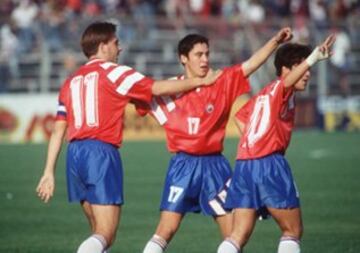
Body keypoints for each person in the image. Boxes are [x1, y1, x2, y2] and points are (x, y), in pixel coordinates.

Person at [35, 21, 221, 253]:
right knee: (105, 234)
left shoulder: (70, 81)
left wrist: (48, 172)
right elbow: (156, 89)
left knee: (96, 231)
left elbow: (59, 129)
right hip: (100, 153)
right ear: (103, 46)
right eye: (116, 43)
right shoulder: (115, 72)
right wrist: (201, 81)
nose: (119, 48)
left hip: (74, 156)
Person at [138, 27, 294, 253]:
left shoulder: (222, 81)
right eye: (198, 55)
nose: (205, 60)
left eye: (207, 54)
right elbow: (137, 94)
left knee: (233, 234)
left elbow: (250, 65)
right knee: (166, 229)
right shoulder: (170, 89)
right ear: (183, 58)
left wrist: (274, 42)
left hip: (215, 166)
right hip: (183, 165)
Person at [217, 35, 335, 253]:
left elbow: (241, 118)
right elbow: (287, 82)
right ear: (285, 69)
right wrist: (314, 57)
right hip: (269, 164)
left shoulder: (263, 94)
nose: (307, 73)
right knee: (292, 230)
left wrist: (255, 141)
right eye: (301, 66)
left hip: (244, 165)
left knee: (238, 235)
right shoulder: (282, 88)